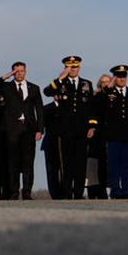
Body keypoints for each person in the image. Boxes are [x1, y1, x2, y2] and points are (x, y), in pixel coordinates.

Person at [0, 61, 44, 200]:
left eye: (22, 71)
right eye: (16, 71)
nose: (19, 74)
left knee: (28, 163)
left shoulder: (34, 88)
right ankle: (14, 192)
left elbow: (39, 110)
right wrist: (6, 76)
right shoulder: (6, 87)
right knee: (13, 163)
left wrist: (40, 129)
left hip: (29, 130)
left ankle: (27, 192)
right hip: (11, 131)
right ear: (12, 73)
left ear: (26, 71)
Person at [44, 55, 94, 199]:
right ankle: (66, 193)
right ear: (66, 68)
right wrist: (60, 79)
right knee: (66, 163)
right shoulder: (60, 83)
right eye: (70, 67)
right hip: (64, 130)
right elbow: (47, 92)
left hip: (82, 130)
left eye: (75, 67)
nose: (73, 69)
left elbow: (90, 107)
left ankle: (78, 193)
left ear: (79, 67)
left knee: (80, 162)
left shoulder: (87, 84)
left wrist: (92, 126)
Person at [89, 65, 128, 199]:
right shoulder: (107, 93)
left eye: (124, 76)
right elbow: (95, 102)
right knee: (114, 164)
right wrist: (107, 88)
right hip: (113, 135)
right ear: (115, 78)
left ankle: (126, 190)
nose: (122, 79)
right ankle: (116, 190)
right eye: (119, 76)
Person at [86, 74, 113, 199]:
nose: (106, 84)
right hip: (99, 133)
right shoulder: (97, 96)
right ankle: (96, 189)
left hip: (112, 132)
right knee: (96, 162)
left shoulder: (115, 95)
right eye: (103, 82)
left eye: (108, 81)